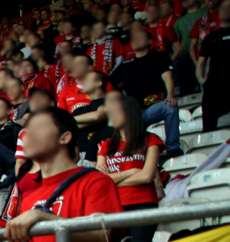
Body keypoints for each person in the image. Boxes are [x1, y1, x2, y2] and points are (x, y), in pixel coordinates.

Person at [2, 108, 123, 242]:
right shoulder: (30, 197)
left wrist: (45, 217)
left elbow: (100, 234)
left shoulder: (96, 182)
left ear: (64, 137)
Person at [97, 93, 164, 242]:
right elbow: (100, 181)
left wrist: (113, 179)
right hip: (114, 206)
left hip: (143, 204)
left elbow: (147, 177)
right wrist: (132, 171)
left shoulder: (151, 140)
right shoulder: (107, 145)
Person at [110, 25, 183, 155]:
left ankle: (173, 148)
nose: (135, 40)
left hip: (153, 108)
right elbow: (109, 85)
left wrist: (170, 95)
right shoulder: (125, 65)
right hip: (133, 113)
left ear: (150, 41)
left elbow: (168, 76)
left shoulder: (159, 56)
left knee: (170, 107)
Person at [197, 0, 230, 130]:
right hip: (214, 87)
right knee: (209, 127)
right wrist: (202, 80)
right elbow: (201, 63)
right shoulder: (210, 37)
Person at [72, 70, 111, 162]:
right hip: (80, 156)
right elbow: (66, 126)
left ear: (98, 83)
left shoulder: (112, 102)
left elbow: (97, 116)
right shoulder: (79, 110)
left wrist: (70, 121)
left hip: (104, 154)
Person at [176, 0, 207, 91]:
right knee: (181, 63)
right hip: (187, 55)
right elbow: (175, 41)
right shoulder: (179, 21)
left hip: (206, 51)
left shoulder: (206, 12)